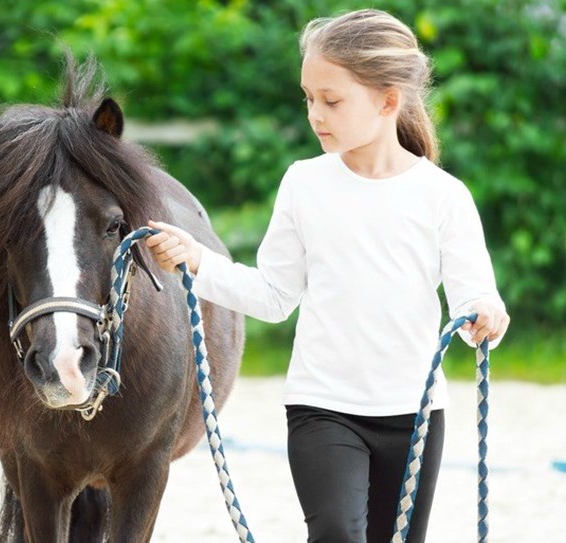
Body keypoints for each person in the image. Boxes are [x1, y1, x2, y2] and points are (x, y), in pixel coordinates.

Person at [145, 8, 510, 543]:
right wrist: (197, 260)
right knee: (337, 532)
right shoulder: (304, 184)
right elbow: (273, 296)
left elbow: (474, 293)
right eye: (309, 98)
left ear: (388, 101)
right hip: (323, 409)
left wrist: (486, 314)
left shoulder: (443, 196)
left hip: (415, 417)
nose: (316, 114)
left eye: (332, 101)